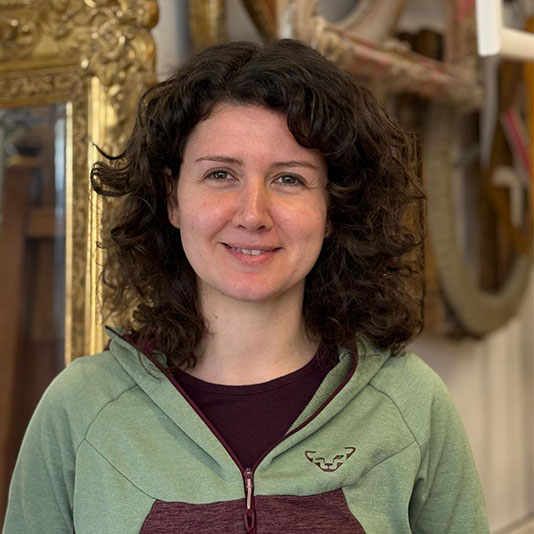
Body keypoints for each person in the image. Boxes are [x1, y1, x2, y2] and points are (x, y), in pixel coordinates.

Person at [3, 39, 489, 533]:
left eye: (289, 179)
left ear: (332, 208)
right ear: (173, 199)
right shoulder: (80, 407)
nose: (253, 214)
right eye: (220, 174)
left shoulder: (410, 403)